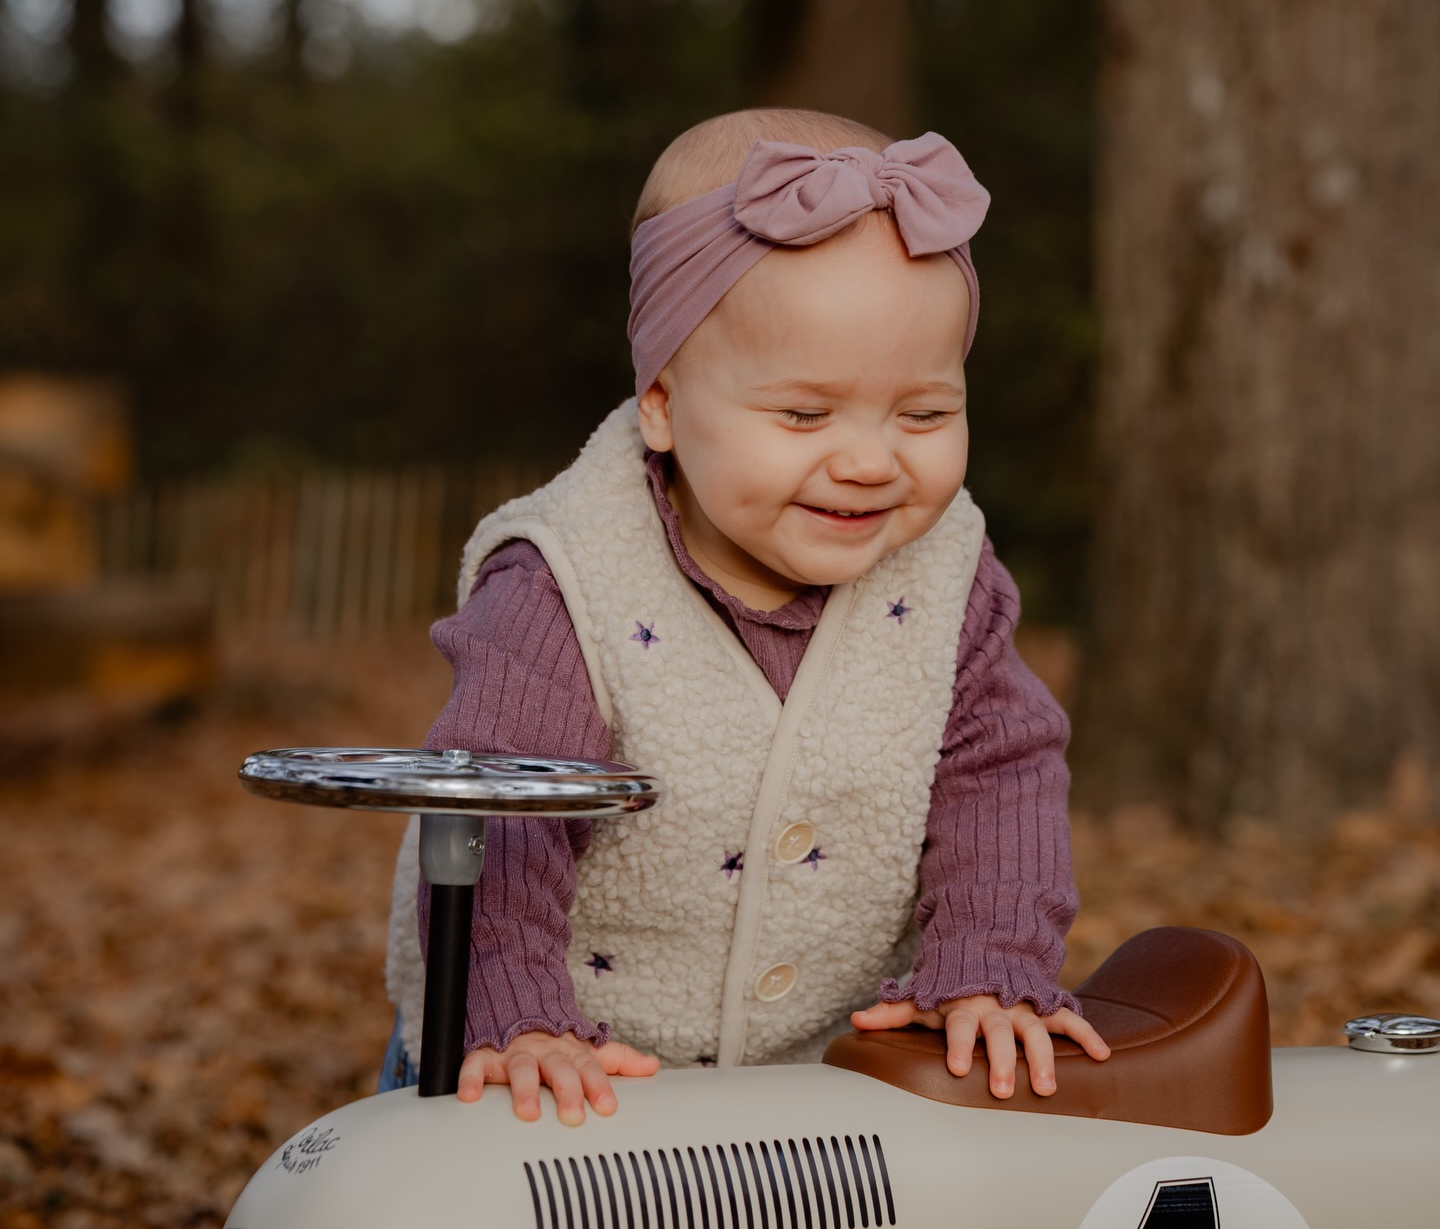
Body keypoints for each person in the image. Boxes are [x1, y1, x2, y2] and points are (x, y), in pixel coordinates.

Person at [380, 106, 1110, 1122]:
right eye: (805, 414)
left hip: (821, 1077)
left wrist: (986, 963)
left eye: (925, 413)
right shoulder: (567, 579)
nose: (868, 460)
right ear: (665, 405)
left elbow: (999, 771)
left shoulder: (947, 576)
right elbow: (505, 807)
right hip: (575, 1070)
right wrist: (515, 1018)